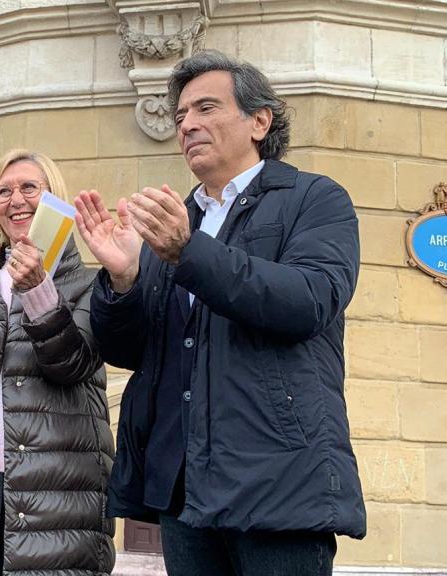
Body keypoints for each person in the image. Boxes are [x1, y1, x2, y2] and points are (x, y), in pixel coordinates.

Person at [74, 50, 365, 575]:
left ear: (260, 121)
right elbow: (130, 352)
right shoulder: (175, 222)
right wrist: (123, 280)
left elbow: (309, 300)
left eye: (206, 108)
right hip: (184, 484)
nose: (187, 124)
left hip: (277, 482)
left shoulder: (314, 199)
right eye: (181, 115)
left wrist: (189, 253)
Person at [0, 149, 115, 576]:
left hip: (55, 485)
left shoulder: (90, 283)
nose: (16, 200)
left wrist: (36, 290)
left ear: (53, 197)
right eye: (3, 192)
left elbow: (71, 364)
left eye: (29, 187)